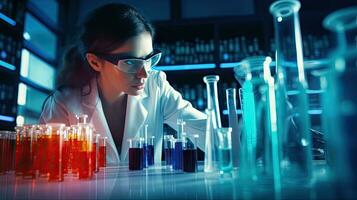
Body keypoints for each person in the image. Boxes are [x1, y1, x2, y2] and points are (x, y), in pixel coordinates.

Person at [39, 3, 206, 165]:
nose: (145, 73)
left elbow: (206, 132)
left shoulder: (156, 85)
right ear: (95, 62)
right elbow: (44, 168)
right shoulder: (64, 102)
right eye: (131, 63)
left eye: (149, 59)